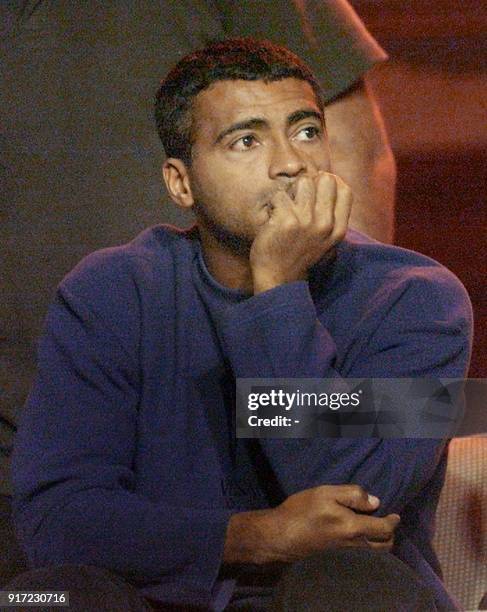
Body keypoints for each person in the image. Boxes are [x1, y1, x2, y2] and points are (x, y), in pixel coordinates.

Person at [10, 38, 471, 611]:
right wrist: (254, 537)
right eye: (246, 140)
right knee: (40, 598)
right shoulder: (110, 293)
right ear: (181, 183)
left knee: (346, 583)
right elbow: (55, 519)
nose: (290, 163)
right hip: (159, 597)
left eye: (306, 131)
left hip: (338, 595)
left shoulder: (418, 303)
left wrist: (277, 291)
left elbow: (354, 501)